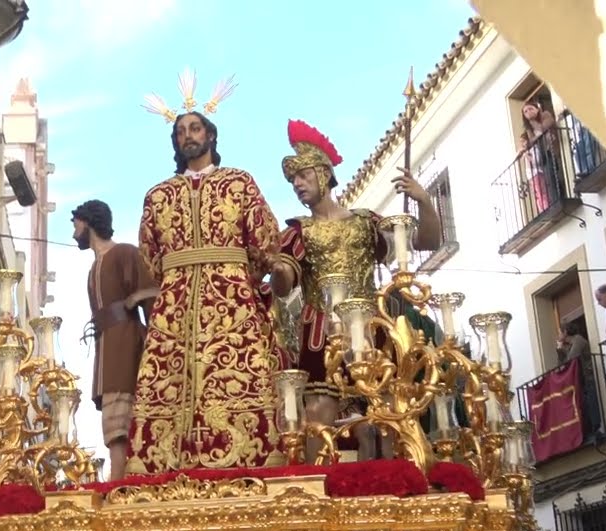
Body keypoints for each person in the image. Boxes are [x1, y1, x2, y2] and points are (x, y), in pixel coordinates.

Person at [126, 87, 285, 474]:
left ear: (211, 136)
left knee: (242, 373)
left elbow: (265, 240)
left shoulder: (239, 183)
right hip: (176, 304)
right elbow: (150, 253)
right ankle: (166, 463)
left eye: (195, 129)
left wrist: (240, 277)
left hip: (231, 300)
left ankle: (252, 458)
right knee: (168, 379)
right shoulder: (158, 195)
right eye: (181, 132)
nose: (188, 136)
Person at [266, 119, 442, 462]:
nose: (297, 185)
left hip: (371, 327)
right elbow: (285, 281)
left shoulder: (366, 222)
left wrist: (424, 201)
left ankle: (391, 484)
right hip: (319, 330)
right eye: (293, 181)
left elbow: (427, 241)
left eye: (302, 176)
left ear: (323, 174)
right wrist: (276, 268)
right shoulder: (298, 232)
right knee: (318, 413)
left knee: (385, 413)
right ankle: (319, 486)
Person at [74, 199, 159, 481]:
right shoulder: (93, 268)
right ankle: (117, 475)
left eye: (76, 221)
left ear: (87, 222)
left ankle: (120, 478)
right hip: (106, 345)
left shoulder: (124, 253)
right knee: (111, 414)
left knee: (123, 412)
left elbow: (150, 297)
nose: (73, 229)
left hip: (126, 343)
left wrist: (156, 346)